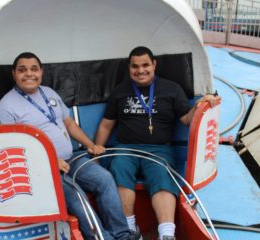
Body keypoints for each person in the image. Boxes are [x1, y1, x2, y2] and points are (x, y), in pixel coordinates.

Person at [0, 52, 140, 240]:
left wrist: (91, 145)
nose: (29, 74)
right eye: (22, 70)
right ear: (14, 74)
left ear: (41, 72)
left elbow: (68, 123)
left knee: (104, 178)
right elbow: (11, 150)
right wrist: (51, 161)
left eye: (34, 69)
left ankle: (122, 236)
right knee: (77, 196)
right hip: (41, 170)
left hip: (72, 159)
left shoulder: (49, 92)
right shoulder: (5, 107)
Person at [95, 46, 221, 240]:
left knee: (162, 176)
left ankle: (167, 234)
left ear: (154, 65)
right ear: (129, 68)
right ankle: (128, 230)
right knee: (119, 168)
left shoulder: (171, 88)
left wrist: (199, 105)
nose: (140, 70)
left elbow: (187, 120)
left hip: (159, 150)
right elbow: (106, 125)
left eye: (145, 65)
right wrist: (96, 154)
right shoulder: (120, 91)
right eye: (135, 66)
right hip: (126, 148)